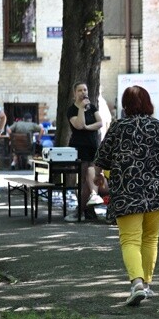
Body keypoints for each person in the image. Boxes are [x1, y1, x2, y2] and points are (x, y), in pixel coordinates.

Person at [93, 86, 159, 307]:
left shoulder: (118, 127)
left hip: (127, 193)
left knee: (130, 239)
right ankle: (146, 285)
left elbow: (100, 159)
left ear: (125, 105)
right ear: (149, 103)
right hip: (157, 193)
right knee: (150, 239)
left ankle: (137, 283)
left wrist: (99, 177)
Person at [68, 83, 106, 220]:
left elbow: (100, 123)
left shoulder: (92, 107)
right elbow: (78, 125)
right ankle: (83, 210)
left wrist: (88, 127)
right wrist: (81, 109)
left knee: (93, 177)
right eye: (80, 90)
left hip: (93, 146)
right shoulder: (72, 110)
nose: (83, 92)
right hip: (79, 148)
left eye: (85, 89)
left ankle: (88, 210)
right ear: (75, 93)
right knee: (84, 179)